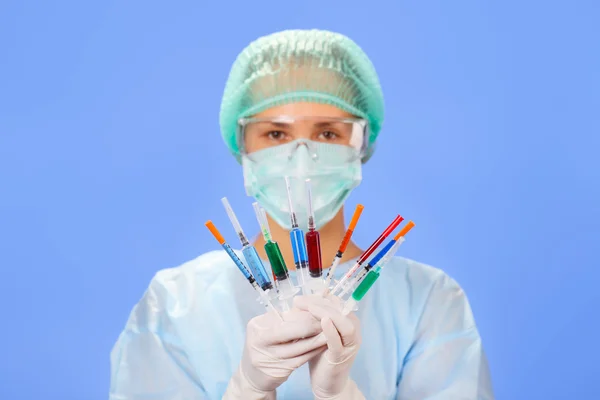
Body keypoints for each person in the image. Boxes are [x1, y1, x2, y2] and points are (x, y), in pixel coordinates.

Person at [109, 29, 494, 399]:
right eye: (276, 134)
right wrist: (248, 390)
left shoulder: (426, 300)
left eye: (327, 133)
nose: (301, 156)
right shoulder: (176, 304)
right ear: (242, 146)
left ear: (360, 145)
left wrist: (341, 395)